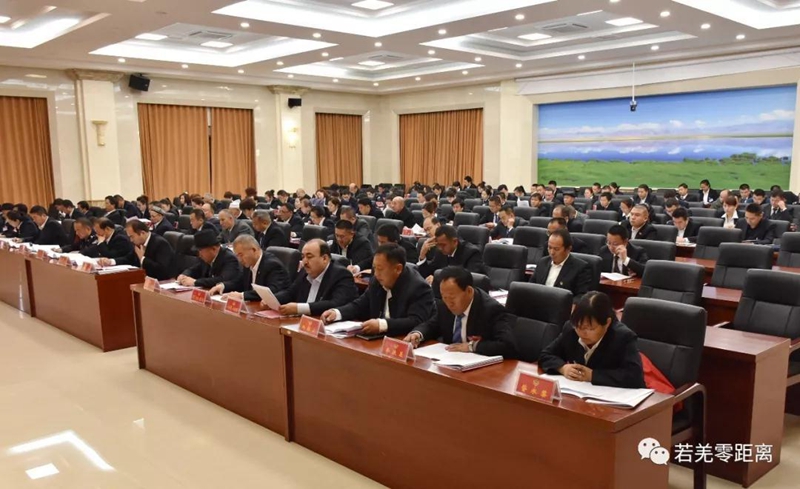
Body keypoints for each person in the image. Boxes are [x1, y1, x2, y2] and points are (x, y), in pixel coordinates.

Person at [321, 244, 436, 336]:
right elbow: (360, 305)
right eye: (374, 268)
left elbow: (416, 321)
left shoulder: (418, 287)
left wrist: (382, 325)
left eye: (380, 269)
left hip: (404, 343)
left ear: (398, 269)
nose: (376, 274)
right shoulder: (377, 280)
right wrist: (337, 313)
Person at [539, 291, 645, 388]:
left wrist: (593, 375)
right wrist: (562, 368)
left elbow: (634, 377)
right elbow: (546, 355)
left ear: (607, 323)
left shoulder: (623, 337)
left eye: (590, 329)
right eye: (579, 327)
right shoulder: (571, 329)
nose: (583, 333)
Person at [404, 266, 516, 357]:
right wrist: (418, 334)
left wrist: (472, 346)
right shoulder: (444, 304)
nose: (449, 303)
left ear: (469, 291)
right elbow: (433, 325)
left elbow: (508, 345)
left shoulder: (491, 310)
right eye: (444, 297)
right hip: (449, 361)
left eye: (452, 298)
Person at [275, 239, 359, 316]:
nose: (305, 262)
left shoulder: (341, 275)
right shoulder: (304, 271)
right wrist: (273, 299)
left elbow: (336, 304)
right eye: (303, 257)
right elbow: (290, 293)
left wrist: (299, 308)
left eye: (309, 257)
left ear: (324, 258)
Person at [209, 235, 290, 300]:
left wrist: (242, 295)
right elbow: (239, 282)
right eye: (237, 256)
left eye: (241, 255)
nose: (239, 260)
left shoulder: (272, 265)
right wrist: (223, 286)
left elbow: (272, 291)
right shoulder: (248, 263)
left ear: (254, 250)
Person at [531, 228, 592, 303]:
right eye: (549, 247)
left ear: (568, 249)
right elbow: (531, 286)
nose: (552, 252)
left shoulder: (581, 267)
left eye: (556, 249)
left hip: (561, 306)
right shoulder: (542, 262)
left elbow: (581, 296)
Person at [99, 220, 175, 280]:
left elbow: (161, 270)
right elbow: (129, 259)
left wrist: (142, 259)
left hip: (161, 281)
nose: (131, 240)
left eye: (132, 237)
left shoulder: (160, 243)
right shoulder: (139, 243)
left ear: (142, 233)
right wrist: (111, 261)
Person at [416, 225, 485, 283]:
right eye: (438, 245)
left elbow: (469, 279)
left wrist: (438, 280)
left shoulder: (472, 253)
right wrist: (422, 255)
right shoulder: (440, 252)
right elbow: (427, 273)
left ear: (455, 242)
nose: (440, 248)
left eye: (443, 245)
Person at [177, 229, 242, 288]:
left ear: (213, 249)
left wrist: (196, 282)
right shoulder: (205, 258)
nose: (199, 254)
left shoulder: (229, 258)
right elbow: (194, 269)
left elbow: (222, 279)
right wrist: (184, 275)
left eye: (200, 250)